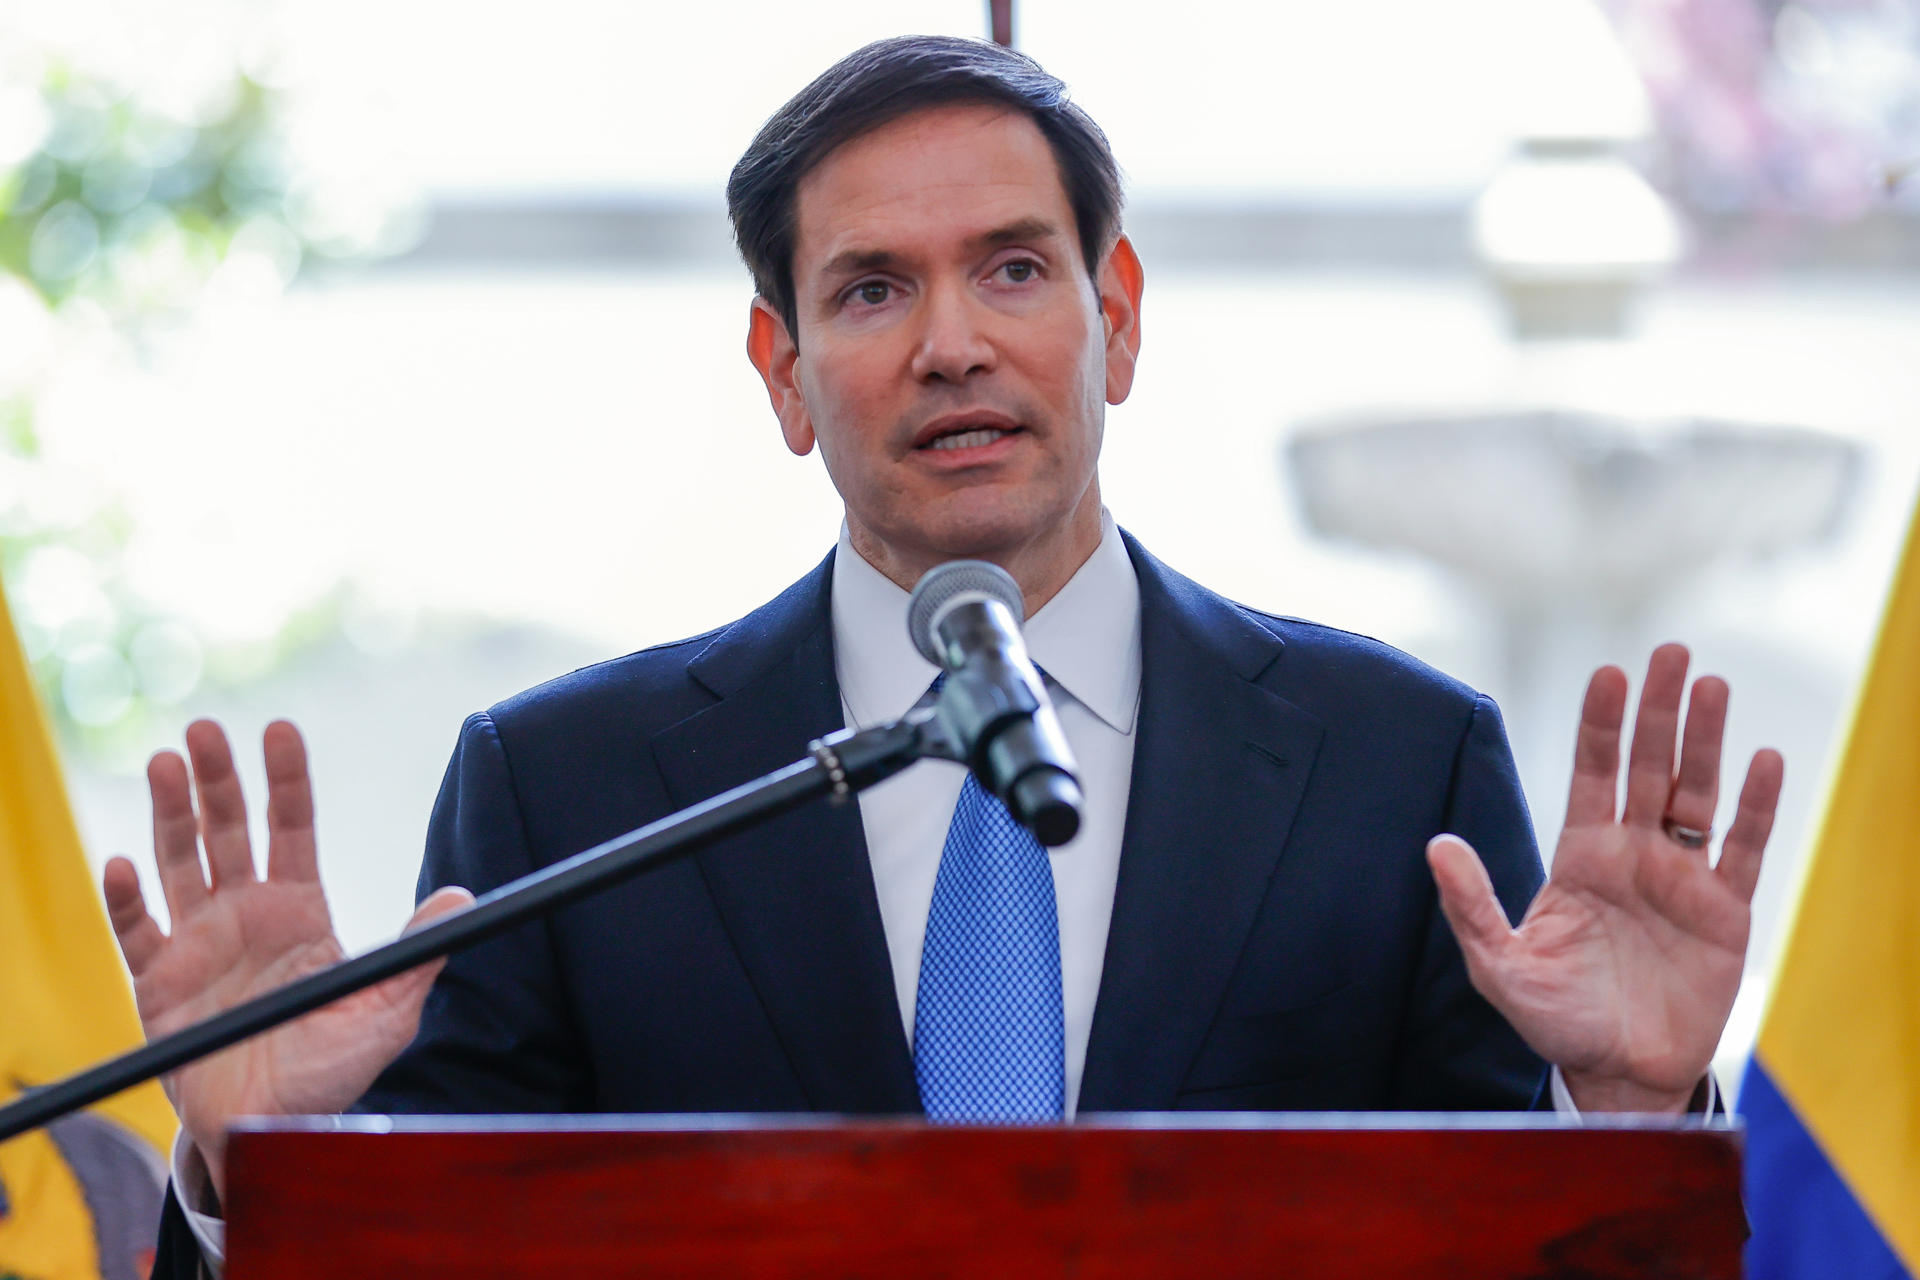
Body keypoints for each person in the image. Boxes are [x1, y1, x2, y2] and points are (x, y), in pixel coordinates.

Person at [104, 35, 1784, 1275]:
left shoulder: (1391, 760)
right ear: (781, 371)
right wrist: (267, 1172)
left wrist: (1629, 1114)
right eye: (870, 292)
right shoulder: (569, 791)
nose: (954, 344)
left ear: (1118, 317)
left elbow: (1519, 1252)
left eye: (1014, 269)